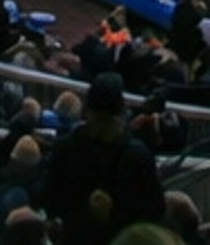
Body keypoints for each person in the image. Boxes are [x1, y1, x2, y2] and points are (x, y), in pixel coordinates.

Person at [40, 72, 164, 245]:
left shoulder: (66, 148)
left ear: (87, 111)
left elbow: (50, 200)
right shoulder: (137, 156)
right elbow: (153, 215)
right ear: (121, 111)